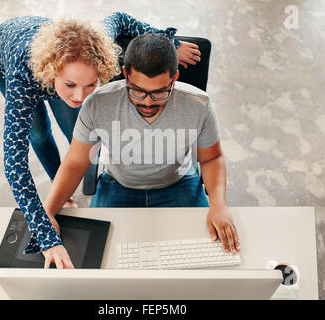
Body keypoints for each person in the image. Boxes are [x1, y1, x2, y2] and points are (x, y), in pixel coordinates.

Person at [0, 12, 202, 268]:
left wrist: (170, 44)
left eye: (90, 85)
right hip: (11, 56)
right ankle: (62, 190)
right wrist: (44, 232)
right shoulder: (22, 79)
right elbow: (14, 164)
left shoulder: (93, 45)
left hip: (60, 57)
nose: (80, 96)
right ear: (52, 72)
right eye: (71, 86)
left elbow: (121, 18)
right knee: (38, 133)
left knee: (77, 133)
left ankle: (64, 186)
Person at [43, 33, 241, 269]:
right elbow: (75, 162)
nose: (148, 102)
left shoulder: (199, 104)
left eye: (159, 92)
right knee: (99, 266)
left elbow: (212, 158)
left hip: (178, 184)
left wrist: (218, 206)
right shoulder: (97, 103)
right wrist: (47, 213)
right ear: (125, 74)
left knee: (203, 260)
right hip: (118, 184)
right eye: (137, 91)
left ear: (174, 78)